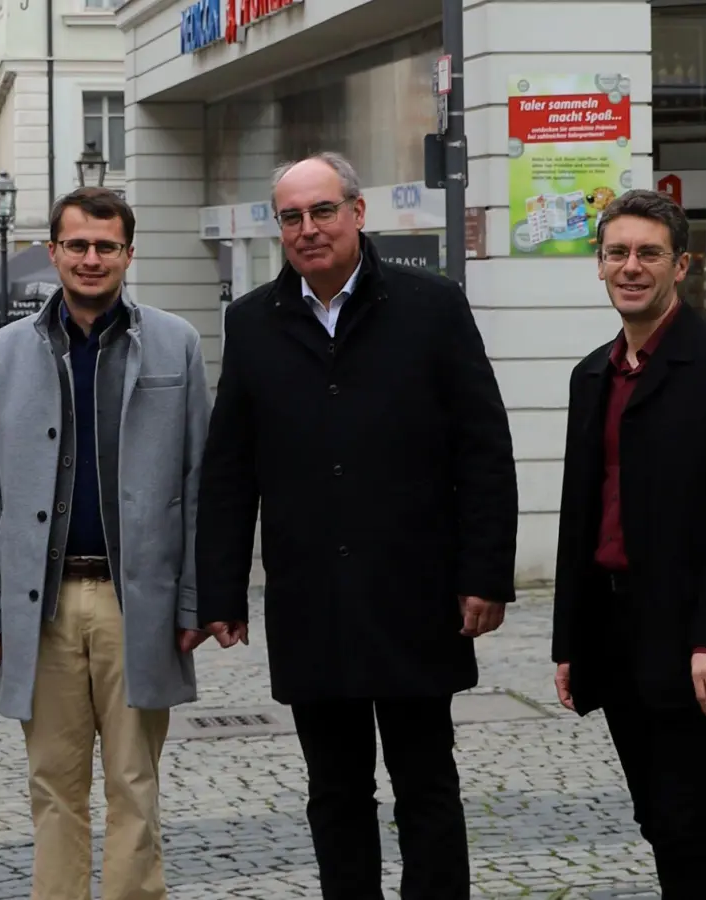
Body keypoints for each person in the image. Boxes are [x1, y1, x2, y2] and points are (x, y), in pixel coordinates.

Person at [196, 153, 519, 899]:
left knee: (426, 784)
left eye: (323, 212)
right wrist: (221, 591)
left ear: (357, 212)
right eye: (291, 217)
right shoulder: (251, 324)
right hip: (311, 600)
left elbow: (484, 447)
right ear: (278, 227)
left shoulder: (431, 305)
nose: (308, 230)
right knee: (334, 792)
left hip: (416, 595)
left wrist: (485, 574)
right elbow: (228, 468)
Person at [0, 186, 211, 900]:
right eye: (78, 245)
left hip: (139, 600)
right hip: (44, 603)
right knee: (52, 784)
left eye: (106, 246)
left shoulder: (175, 343)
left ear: (129, 253)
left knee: (135, 782)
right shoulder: (8, 351)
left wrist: (194, 599)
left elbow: (198, 484)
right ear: (53, 251)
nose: (91, 259)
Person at [551, 189, 706, 899]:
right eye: (617, 252)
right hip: (614, 630)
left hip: (694, 638)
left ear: (680, 265)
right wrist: (569, 640)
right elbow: (578, 518)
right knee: (656, 815)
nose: (631, 266)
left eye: (648, 253)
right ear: (599, 266)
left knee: (682, 818)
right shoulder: (591, 374)